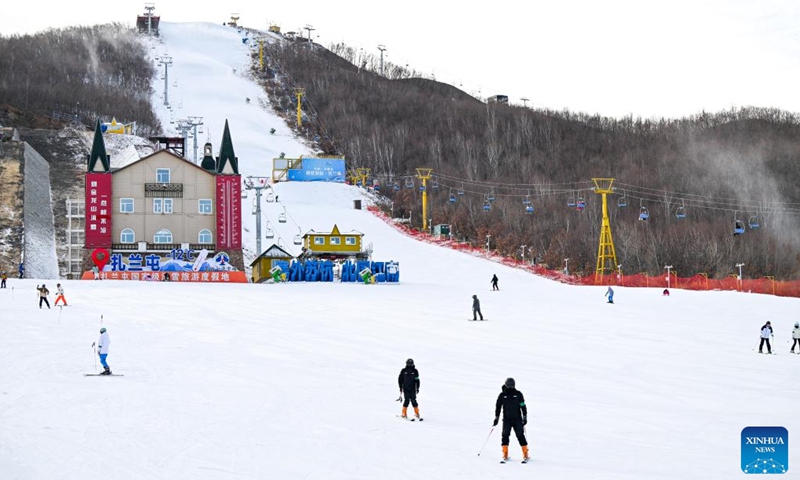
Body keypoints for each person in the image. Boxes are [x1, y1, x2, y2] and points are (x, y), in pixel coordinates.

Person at [493, 378, 529, 462]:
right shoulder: (502, 395)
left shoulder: (518, 394)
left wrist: (524, 416)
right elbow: (498, 406)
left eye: (512, 386)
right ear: (506, 385)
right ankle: (505, 453)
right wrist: (496, 418)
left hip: (517, 419)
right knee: (505, 435)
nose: (510, 388)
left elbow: (523, 405)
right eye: (509, 386)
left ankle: (525, 453)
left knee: (520, 435)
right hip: (507, 420)